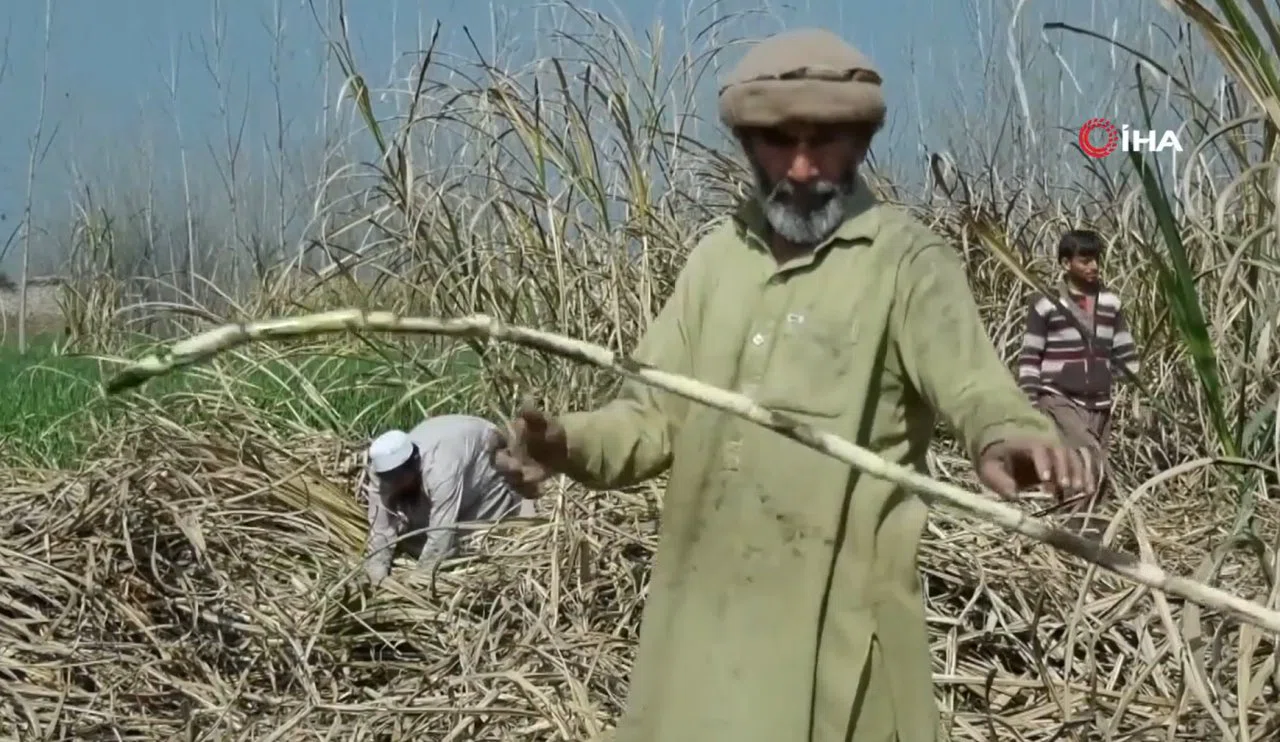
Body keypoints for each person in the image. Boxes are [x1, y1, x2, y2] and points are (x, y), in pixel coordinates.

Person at [490, 28, 1092, 742]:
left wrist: (1010, 436)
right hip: (699, 636)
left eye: (827, 141)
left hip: (837, 643)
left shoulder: (904, 260)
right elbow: (651, 417)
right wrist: (566, 442)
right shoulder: (716, 261)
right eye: (779, 142)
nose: (803, 167)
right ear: (746, 144)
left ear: (863, 140)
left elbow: (974, 386)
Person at [1017, 229, 1140, 529]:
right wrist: (1030, 399)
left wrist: (1129, 381)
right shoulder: (1045, 304)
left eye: (1096, 260)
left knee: (1087, 466)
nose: (1094, 267)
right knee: (1089, 461)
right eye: (1085, 260)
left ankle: (1076, 531)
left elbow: (1124, 349)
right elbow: (1031, 354)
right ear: (1065, 263)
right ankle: (1079, 532)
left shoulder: (1111, 303)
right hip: (1058, 396)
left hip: (1098, 402)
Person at [361, 414, 536, 584]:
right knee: (417, 529)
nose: (393, 484)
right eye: (388, 478)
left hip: (483, 448)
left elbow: (442, 530)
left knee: (471, 538)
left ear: (414, 463)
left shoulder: (441, 469)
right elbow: (381, 524)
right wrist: (376, 570)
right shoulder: (381, 476)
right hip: (447, 445)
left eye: (398, 478)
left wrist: (422, 576)